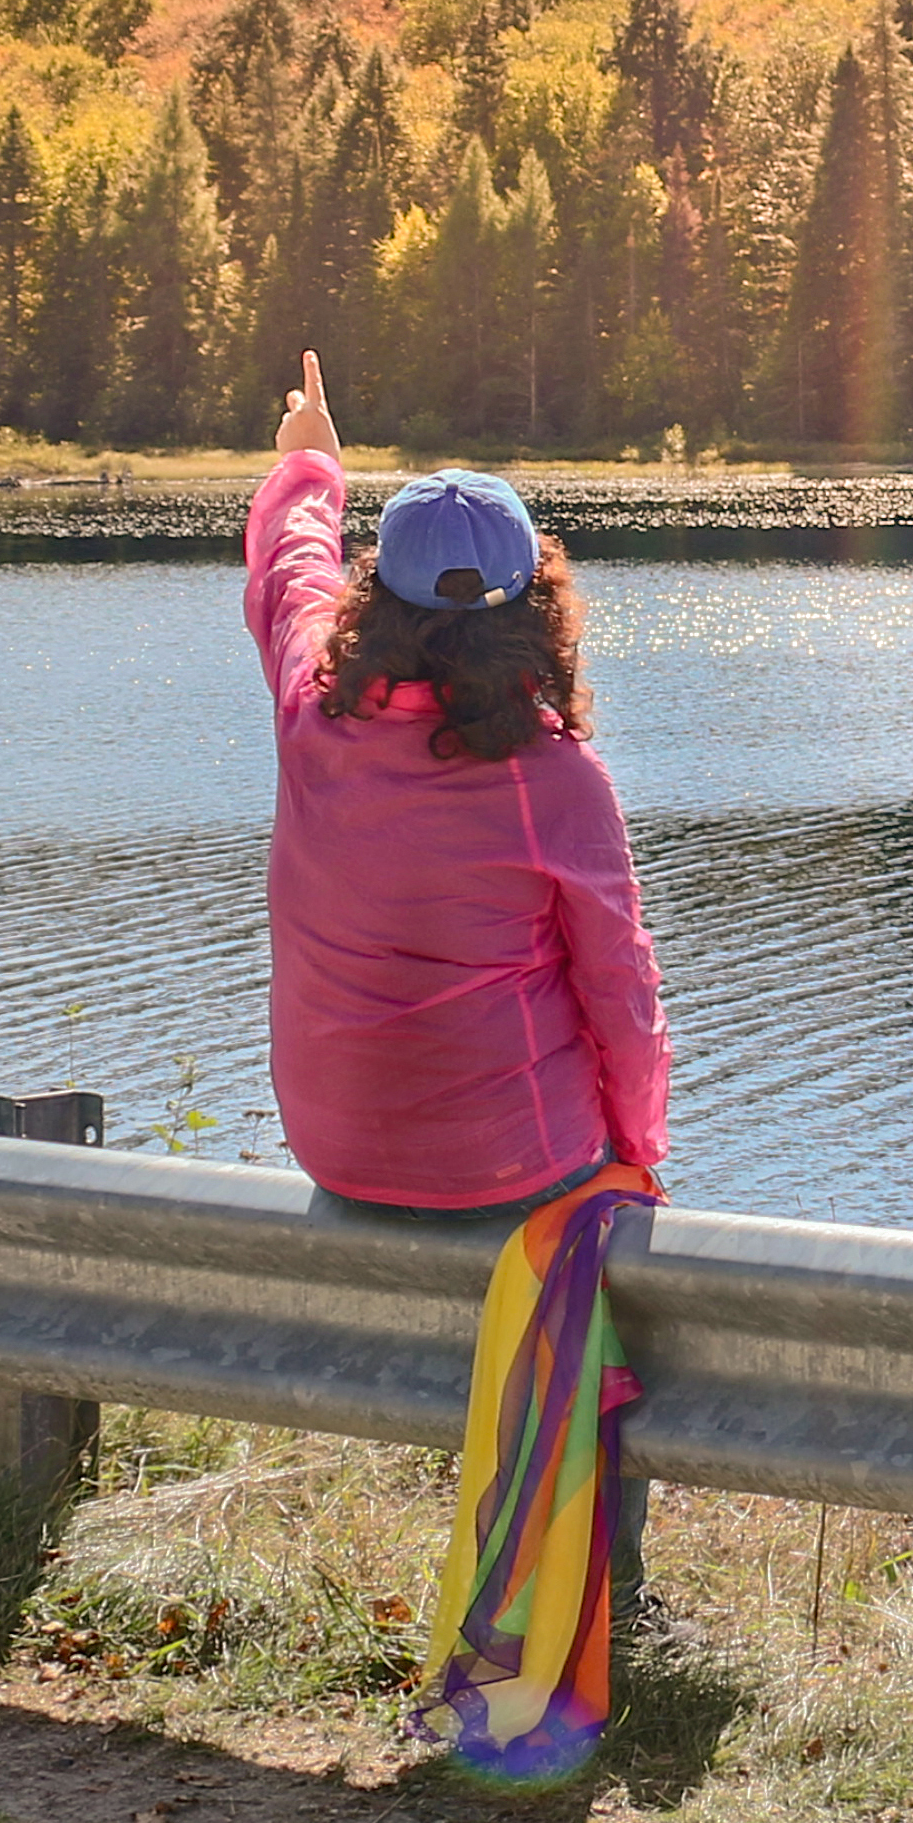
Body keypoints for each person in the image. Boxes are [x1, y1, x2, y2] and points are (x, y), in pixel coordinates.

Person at [243, 350, 675, 1218]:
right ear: (534, 606)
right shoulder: (555, 780)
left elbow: (293, 573)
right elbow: (619, 991)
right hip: (515, 1164)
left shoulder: (314, 710)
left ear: (379, 598)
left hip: (336, 1155)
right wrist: (635, 1155)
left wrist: (311, 462)